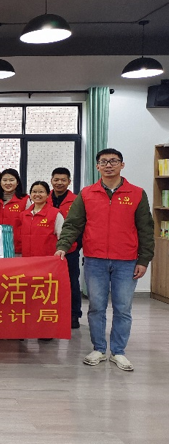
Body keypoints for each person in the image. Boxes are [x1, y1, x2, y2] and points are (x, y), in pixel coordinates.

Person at [56, 148, 154, 371]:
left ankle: (118, 352)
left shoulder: (137, 193)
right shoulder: (87, 193)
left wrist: (144, 260)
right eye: (104, 162)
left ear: (122, 165)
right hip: (95, 260)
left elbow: (146, 228)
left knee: (123, 308)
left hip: (127, 260)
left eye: (113, 161)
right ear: (97, 166)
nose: (109, 165)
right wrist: (62, 246)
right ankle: (99, 348)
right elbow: (73, 224)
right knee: (96, 307)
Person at [48, 167, 82, 329]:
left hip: (70, 250)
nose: (59, 183)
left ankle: (74, 314)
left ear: (69, 182)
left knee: (71, 282)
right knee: (49, 283)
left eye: (63, 180)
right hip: (48, 250)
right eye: (56, 179)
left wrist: (77, 245)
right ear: (51, 181)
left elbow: (81, 224)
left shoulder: (77, 200)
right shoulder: (43, 197)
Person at [19, 181, 64, 257]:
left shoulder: (55, 214)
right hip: (26, 258)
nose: (37, 194)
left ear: (48, 195)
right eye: (34, 192)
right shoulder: (23, 215)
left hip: (47, 259)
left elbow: (62, 236)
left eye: (41, 192)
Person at [0, 168, 31, 255]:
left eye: (11, 180)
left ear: (17, 182)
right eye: (4, 180)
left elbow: (29, 223)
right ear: (0, 182)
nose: (8, 183)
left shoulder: (25, 200)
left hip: (17, 246)